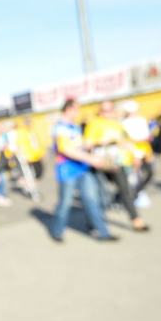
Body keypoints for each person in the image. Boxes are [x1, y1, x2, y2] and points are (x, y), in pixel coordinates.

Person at [49, 99, 119, 242]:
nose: (78, 112)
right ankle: (57, 231)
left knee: (92, 200)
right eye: (77, 109)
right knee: (65, 204)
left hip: (83, 169)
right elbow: (66, 149)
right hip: (68, 171)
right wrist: (91, 159)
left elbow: (81, 147)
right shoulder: (60, 127)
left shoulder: (74, 127)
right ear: (69, 109)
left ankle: (103, 232)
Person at [84, 101, 148, 232]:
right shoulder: (94, 124)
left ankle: (136, 219)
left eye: (109, 110)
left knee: (125, 191)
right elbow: (87, 144)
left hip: (116, 162)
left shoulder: (117, 125)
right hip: (100, 163)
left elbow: (126, 142)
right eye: (104, 110)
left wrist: (135, 155)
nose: (107, 113)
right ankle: (93, 221)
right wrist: (100, 142)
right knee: (100, 195)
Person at [122, 101, 155, 208]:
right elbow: (128, 140)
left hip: (145, 149)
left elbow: (146, 135)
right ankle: (135, 195)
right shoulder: (124, 123)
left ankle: (138, 192)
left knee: (149, 172)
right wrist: (134, 153)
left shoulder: (141, 120)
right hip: (133, 150)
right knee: (135, 175)